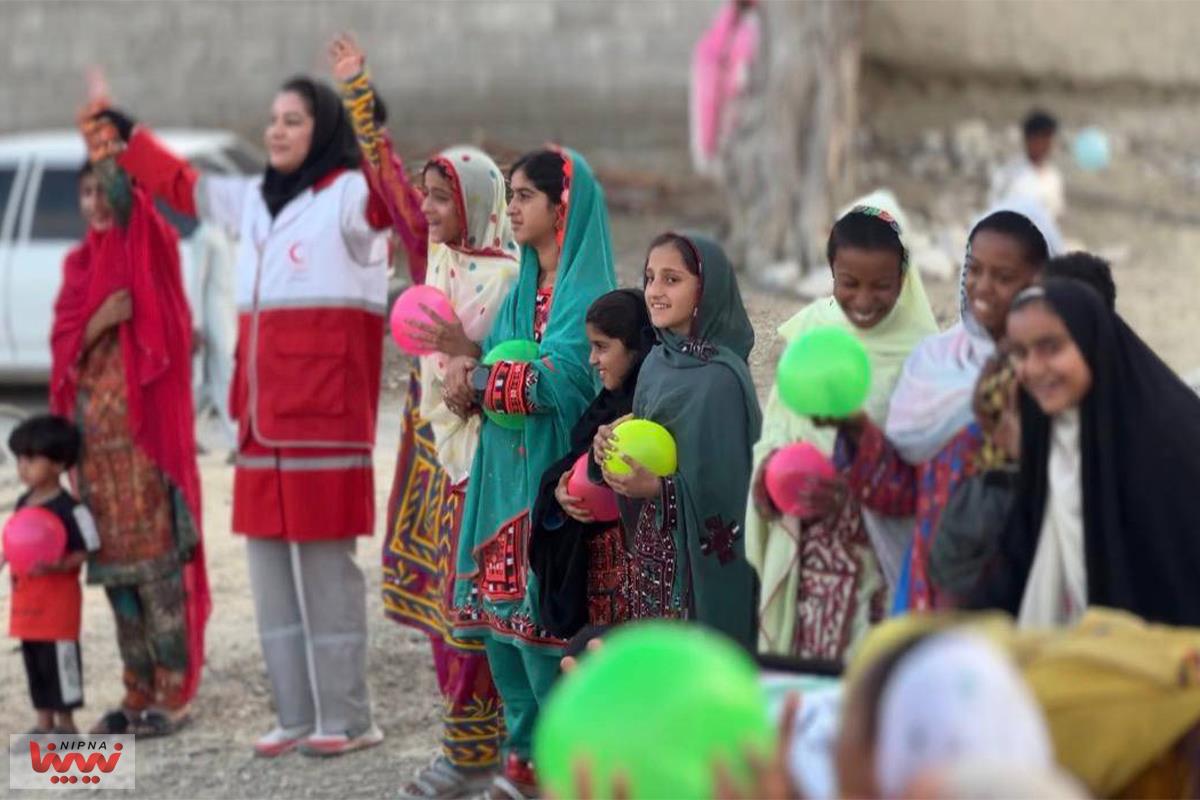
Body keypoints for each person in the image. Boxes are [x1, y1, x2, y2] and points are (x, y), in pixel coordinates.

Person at [95, 69, 392, 755]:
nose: (276, 130)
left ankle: (347, 718)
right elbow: (184, 187)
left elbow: (389, 202)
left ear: (325, 130)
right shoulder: (255, 198)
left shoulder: (350, 195)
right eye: (272, 119)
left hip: (324, 422)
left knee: (325, 573)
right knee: (267, 576)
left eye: (293, 119)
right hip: (258, 423)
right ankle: (293, 713)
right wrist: (127, 133)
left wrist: (369, 119)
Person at [329, 35, 517, 794]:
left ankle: (485, 753)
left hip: (484, 455)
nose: (431, 210)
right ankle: (467, 750)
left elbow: (514, 360)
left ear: (476, 202)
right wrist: (359, 96)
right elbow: (393, 190)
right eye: (430, 198)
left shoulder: (510, 276)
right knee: (447, 604)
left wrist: (462, 342)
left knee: (475, 597)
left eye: (444, 198)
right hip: (429, 443)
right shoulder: (434, 255)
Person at [445, 147, 617, 798]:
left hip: (553, 484)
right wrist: (472, 383)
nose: (511, 208)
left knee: (547, 638)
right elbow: (505, 374)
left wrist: (485, 378)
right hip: (501, 479)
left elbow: (566, 382)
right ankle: (521, 759)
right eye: (509, 195)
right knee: (502, 636)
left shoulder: (591, 295)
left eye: (524, 196)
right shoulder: (521, 291)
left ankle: (566, 762)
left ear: (562, 205)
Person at [51, 115, 209, 737]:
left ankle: (173, 693)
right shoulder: (77, 269)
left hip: (146, 448)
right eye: (85, 191)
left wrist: (109, 144)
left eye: (104, 189)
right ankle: (134, 690)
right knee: (114, 576)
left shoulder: (149, 245)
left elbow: (128, 198)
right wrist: (94, 324)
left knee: (158, 573)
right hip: (95, 451)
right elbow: (66, 350)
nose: (96, 202)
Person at [827, 200, 1061, 612]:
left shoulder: (1050, 379)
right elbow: (908, 493)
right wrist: (856, 431)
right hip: (931, 592)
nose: (983, 287)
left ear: (1041, 282)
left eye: (1004, 276)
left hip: (1016, 600)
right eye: (975, 269)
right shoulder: (932, 362)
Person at [747, 191, 938, 661]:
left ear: (905, 278)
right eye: (849, 283)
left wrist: (854, 495)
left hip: (886, 562)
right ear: (831, 272)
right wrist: (775, 483)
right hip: (811, 561)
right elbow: (776, 429)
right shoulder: (811, 336)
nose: (865, 300)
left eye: (882, 285)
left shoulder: (926, 357)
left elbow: (931, 469)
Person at [968, 280, 1200, 627]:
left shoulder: (1166, 440)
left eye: (1051, 347)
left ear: (1092, 344)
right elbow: (1021, 550)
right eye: (1020, 352)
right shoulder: (1051, 425)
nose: (1032, 368)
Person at [596, 232, 761, 651]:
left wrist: (660, 488)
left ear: (705, 289)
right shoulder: (657, 360)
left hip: (697, 570)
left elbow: (729, 489)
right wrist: (611, 446)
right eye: (650, 278)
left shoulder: (722, 380)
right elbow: (650, 436)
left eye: (672, 279)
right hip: (652, 556)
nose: (655, 291)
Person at [931, 252, 1118, 599]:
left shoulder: (1130, 417)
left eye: (1054, 341)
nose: (1033, 366)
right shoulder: (1012, 370)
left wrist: (1026, 453)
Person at [530, 289, 655, 639]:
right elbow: (572, 465)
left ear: (635, 347)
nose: (592, 360)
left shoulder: (652, 414)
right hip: (598, 600)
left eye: (602, 347)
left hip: (638, 603)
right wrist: (558, 493)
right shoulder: (605, 409)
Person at [4, 415, 100, 734]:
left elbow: (88, 547)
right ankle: (43, 721)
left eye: (31, 459)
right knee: (34, 662)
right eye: (19, 459)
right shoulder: (22, 503)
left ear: (58, 464)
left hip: (58, 606)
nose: (23, 467)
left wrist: (59, 564)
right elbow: (17, 539)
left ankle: (66, 724)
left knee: (61, 661)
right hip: (26, 602)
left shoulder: (71, 508)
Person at [689, 0, 761, 176]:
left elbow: (709, 100)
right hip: (733, 134)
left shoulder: (721, 37)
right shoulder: (727, 38)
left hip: (732, 135)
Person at [187, 220, 239, 455]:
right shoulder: (206, 234)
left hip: (227, 312)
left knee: (211, 382)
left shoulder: (229, 232)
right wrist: (195, 323)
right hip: (211, 316)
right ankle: (236, 440)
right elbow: (197, 282)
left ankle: (183, 433)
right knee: (223, 375)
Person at [989, 109, 1065, 221]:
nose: (1046, 145)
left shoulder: (1053, 177)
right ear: (1029, 139)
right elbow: (995, 210)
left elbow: (1056, 215)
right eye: (1042, 138)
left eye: (1049, 138)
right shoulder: (1009, 175)